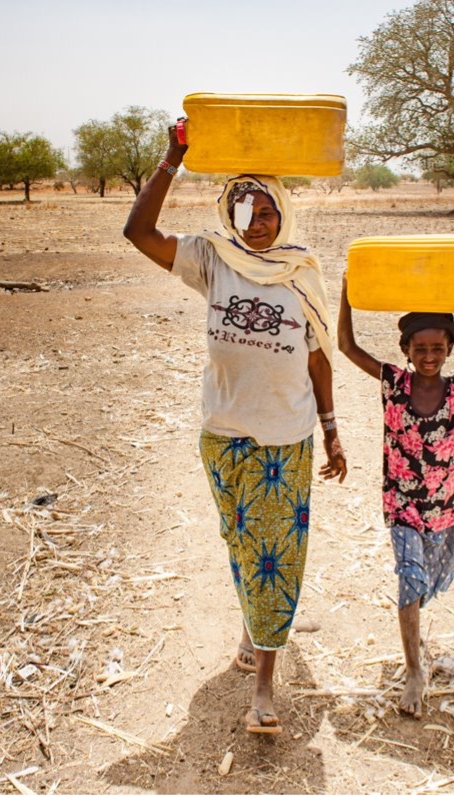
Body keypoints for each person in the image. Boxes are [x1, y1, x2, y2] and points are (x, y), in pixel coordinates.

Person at [123, 125, 347, 735]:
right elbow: (138, 233)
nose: (256, 221)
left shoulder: (302, 272)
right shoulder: (212, 259)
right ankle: (254, 626)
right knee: (242, 542)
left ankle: (264, 689)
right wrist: (172, 158)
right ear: (230, 210)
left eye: (267, 209)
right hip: (222, 435)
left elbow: (319, 353)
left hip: (284, 435)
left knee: (275, 556)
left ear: (284, 213)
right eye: (245, 208)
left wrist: (331, 428)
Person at [337, 276, 454, 717]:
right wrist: (348, 290)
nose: (429, 356)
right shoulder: (394, 383)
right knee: (410, 579)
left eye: (438, 348)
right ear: (405, 350)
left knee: (432, 582)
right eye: (420, 349)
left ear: (450, 349)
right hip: (402, 505)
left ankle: (415, 638)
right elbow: (346, 345)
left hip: (446, 508)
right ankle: (414, 670)